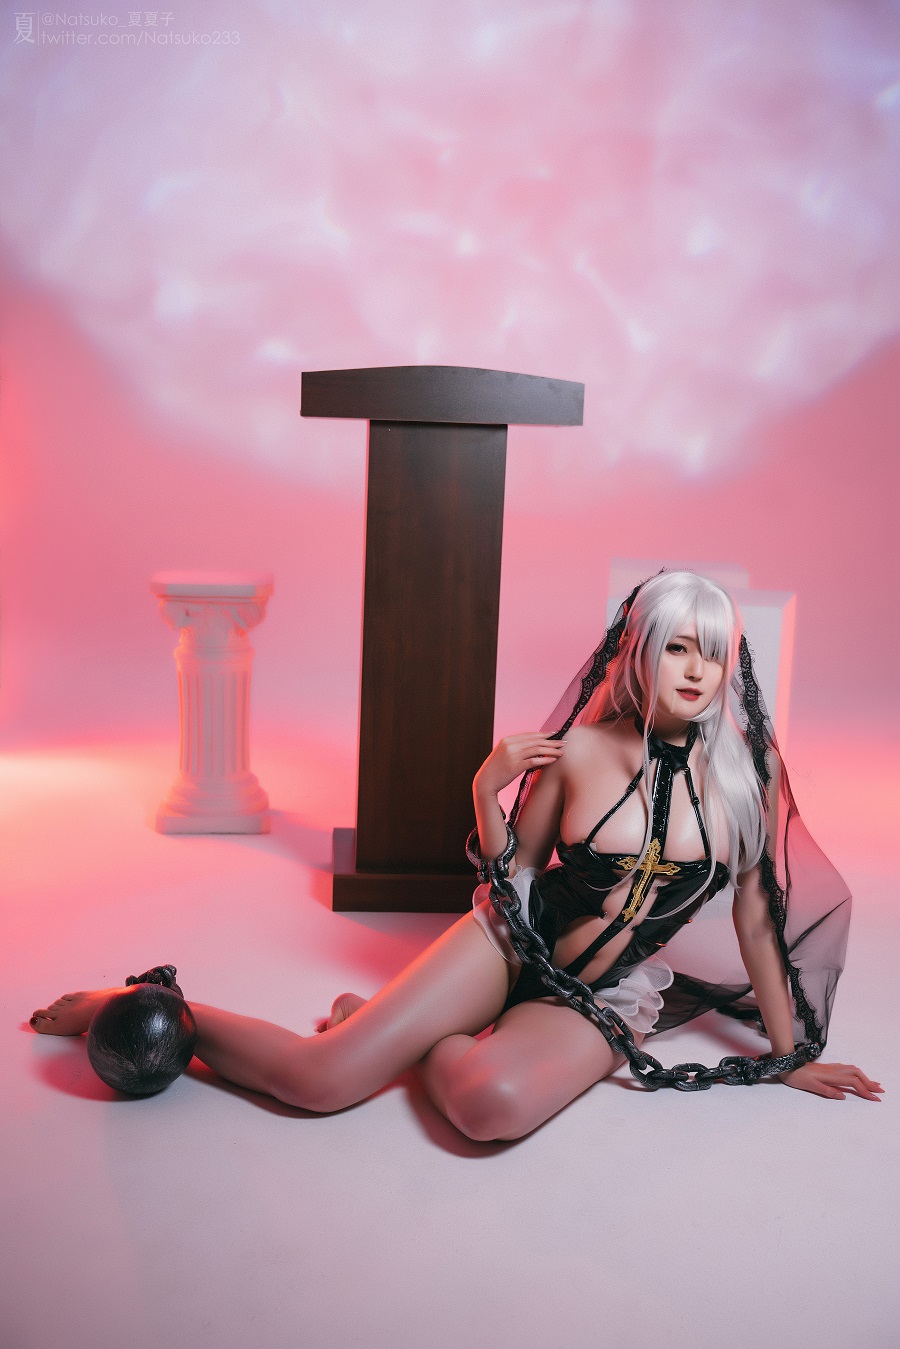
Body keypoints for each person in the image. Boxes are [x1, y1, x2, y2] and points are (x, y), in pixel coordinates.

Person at [29, 572, 881, 1137]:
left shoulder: (749, 774)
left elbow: (757, 921)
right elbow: (515, 873)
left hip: (608, 991)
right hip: (511, 942)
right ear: (641, 651)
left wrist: (788, 1056)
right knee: (318, 1084)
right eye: (678, 646)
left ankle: (399, 1027)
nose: (695, 669)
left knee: (489, 1106)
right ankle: (149, 997)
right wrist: (484, 789)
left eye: (713, 650)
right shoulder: (582, 750)